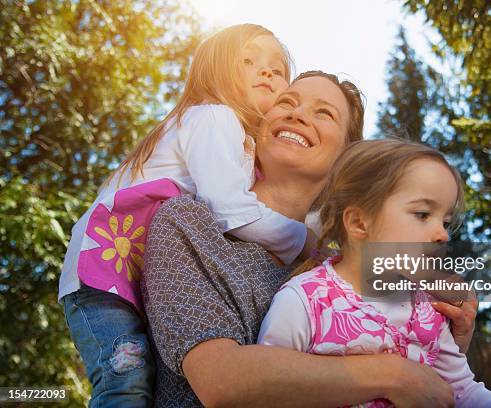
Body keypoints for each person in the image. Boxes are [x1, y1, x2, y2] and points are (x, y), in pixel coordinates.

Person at [143, 71, 478, 407]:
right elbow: (219, 381)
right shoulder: (188, 222)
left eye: (324, 113)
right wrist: (393, 374)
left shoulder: (351, 262)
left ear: (347, 157)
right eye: (286, 102)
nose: (298, 114)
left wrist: (446, 338)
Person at [59, 23, 315, 406]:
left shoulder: (235, 141)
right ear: (216, 70)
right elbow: (233, 212)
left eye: (277, 70)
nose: (266, 72)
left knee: (138, 380)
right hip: (105, 277)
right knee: (124, 384)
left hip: (121, 275)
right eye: (249, 61)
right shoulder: (213, 117)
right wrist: (305, 241)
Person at [258, 139, 491, 407]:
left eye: (445, 221)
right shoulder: (305, 301)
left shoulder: (428, 306)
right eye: (423, 214)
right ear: (359, 222)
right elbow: (268, 387)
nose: (443, 234)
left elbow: (464, 392)